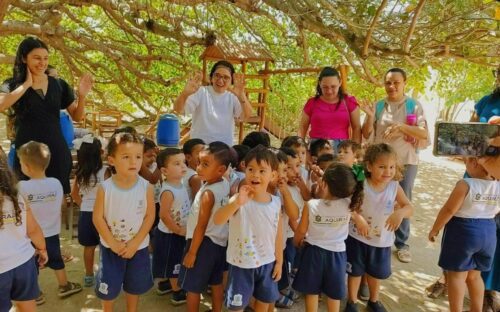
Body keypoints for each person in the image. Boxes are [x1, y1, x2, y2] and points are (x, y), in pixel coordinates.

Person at [0, 37, 93, 194]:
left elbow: (77, 116)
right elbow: (2, 104)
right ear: (24, 58)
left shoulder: (59, 84)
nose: (42, 63)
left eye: (45, 58)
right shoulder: (11, 84)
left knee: (56, 200)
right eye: (37, 58)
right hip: (26, 155)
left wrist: (82, 96)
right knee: (26, 201)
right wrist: (26, 85)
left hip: (56, 152)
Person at [361, 68, 428, 263]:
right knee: (373, 197)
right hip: (379, 164)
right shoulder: (379, 105)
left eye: (396, 82)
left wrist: (401, 128)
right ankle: (373, 233)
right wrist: (369, 116)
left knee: (402, 199)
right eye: (388, 82)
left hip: (405, 161)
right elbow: (367, 134)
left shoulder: (413, 106)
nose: (392, 86)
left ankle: (401, 243)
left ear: (405, 83)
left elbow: (423, 134)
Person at [213, 146, 283, 312]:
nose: (255, 174)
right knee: (236, 306)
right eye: (251, 169)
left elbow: (278, 234)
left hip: (267, 262)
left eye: (262, 170)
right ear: (244, 170)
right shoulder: (239, 199)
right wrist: (237, 202)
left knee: (263, 301)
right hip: (241, 264)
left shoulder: (275, 202)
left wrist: (279, 261)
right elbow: (218, 220)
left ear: (273, 175)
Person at [344, 143, 413, 312]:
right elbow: (345, 204)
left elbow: (409, 207)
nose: (387, 171)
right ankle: (351, 302)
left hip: (382, 241)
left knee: (376, 274)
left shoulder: (394, 187)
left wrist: (400, 213)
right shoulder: (360, 183)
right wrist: (356, 217)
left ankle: (374, 300)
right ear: (369, 166)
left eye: (391, 167)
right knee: (354, 273)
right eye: (382, 167)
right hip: (357, 237)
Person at [92, 132, 155, 312]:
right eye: (126, 157)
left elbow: (150, 216)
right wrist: (112, 243)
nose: (134, 162)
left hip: (138, 248)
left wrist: (135, 243)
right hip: (112, 248)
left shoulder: (146, 187)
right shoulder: (105, 188)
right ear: (111, 160)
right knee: (108, 288)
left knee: (134, 286)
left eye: (138, 156)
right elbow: (97, 218)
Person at [428, 157, 499, 312]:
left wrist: (435, 229)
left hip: (463, 232)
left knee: (456, 276)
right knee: (475, 276)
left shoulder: (465, 184)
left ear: (474, 163)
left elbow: (449, 210)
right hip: (488, 232)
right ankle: (476, 309)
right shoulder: (497, 184)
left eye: (466, 161)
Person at [293, 163, 365, 312]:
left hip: (313, 254)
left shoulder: (311, 205)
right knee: (334, 294)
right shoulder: (348, 205)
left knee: (312, 291)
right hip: (337, 256)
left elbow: (301, 230)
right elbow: (359, 220)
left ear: (324, 184)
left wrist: (297, 241)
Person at [17, 141, 83, 303]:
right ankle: (64, 285)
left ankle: (35, 294)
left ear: (26, 166)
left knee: (31, 262)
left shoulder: (21, 186)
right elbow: (61, 205)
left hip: (30, 234)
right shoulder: (56, 183)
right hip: (52, 232)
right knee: (55, 259)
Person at [178, 142, 231, 312]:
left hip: (202, 244)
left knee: (192, 286)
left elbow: (201, 226)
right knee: (216, 282)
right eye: (199, 162)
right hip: (219, 243)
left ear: (221, 170)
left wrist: (192, 252)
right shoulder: (224, 184)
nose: (199, 168)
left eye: (205, 164)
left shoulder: (208, 193)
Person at [0, 148, 48, 311]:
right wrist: (42, 249)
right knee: (28, 306)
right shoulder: (16, 198)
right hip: (24, 263)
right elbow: (33, 230)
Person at [173, 61, 253, 146]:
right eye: (217, 75)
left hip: (223, 149)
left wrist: (241, 95)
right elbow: (178, 110)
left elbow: (246, 116)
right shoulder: (201, 91)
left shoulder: (233, 96)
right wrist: (185, 93)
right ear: (211, 78)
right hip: (199, 147)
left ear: (231, 81)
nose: (220, 80)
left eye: (226, 77)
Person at [71, 134, 109, 288]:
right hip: (104, 214)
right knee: (106, 246)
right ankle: (105, 274)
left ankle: (88, 275)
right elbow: (109, 192)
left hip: (86, 215)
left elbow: (74, 194)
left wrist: (84, 205)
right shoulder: (106, 171)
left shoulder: (80, 173)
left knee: (89, 246)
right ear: (101, 153)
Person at [298, 67, 361, 149]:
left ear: (340, 82)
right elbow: (302, 127)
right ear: (320, 84)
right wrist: (303, 151)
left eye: (333, 87)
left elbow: (356, 128)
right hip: (316, 149)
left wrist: (354, 152)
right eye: (325, 87)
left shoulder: (349, 101)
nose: (329, 91)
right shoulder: (312, 103)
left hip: (341, 150)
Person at [182, 138, 205, 202]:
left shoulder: (185, 171)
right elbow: (197, 202)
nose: (205, 155)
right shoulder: (195, 177)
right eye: (200, 152)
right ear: (188, 157)